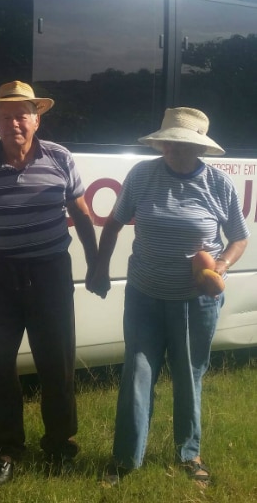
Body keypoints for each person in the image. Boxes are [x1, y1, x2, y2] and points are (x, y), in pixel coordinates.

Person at [87, 107, 249, 486]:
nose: (174, 150)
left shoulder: (219, 184)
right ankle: (126, 458)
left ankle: (189, 453)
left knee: (188, 376)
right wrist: (99, 268)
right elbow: (112, 223)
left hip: (196, 302)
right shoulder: (142, 174)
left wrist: (221, 265)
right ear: (161, 142)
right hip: (144, 294)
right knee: (137, 372)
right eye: (169, 143)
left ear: (200, 149)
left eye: (184, 144)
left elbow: (239, 237)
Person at [0, 81, 99, 484]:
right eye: (6, 116)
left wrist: (96, 264)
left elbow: (83, 215)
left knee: (57, 363)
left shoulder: (60, 158)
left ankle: (60, 445)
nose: (14, 122)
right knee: (0, 365)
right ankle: (5, 449)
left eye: (22, 115)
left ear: (36, 119)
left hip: (51, 271)